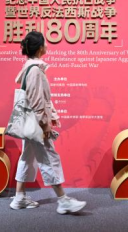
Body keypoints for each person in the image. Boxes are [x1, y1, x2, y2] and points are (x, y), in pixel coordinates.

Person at [10, 30, 86, 214]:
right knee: (49, 158)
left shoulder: (29, 68)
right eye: (44, 42)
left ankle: (19, 197)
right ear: (39, 48)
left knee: (27, 157)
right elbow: (37, 101)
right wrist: (45, 125)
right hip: (37, 124)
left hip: (30, 123)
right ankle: (63, 200)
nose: (47, 45)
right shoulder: (35, 71)